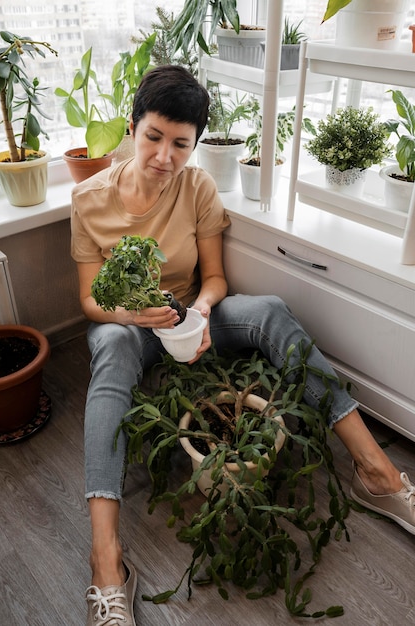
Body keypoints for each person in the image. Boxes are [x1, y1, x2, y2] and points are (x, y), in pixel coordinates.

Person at [71, 65, 415, 626]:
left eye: (181, 144)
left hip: (192, 315)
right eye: (154, 136)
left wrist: (202, 312)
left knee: (271, 312)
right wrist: (134, 313)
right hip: (130, 327)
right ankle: (107, 563)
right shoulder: (89, 200)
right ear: (133, 128)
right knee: (109, 344)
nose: (164, 156)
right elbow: (90, 300)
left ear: (194, 145)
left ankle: (377, 471)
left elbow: (215, 279)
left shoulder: (198, 186)